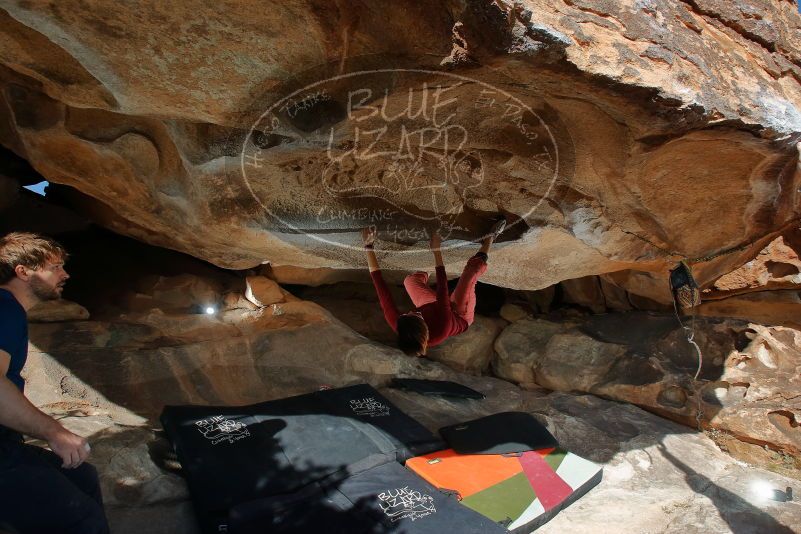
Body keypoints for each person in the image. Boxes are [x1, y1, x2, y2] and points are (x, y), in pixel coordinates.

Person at [0, 232, 109, 534]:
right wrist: (54, 431)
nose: (66, 274)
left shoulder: (11, 311)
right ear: (23, 271)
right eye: (55, 267)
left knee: (82, 477)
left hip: (7, 442)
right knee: (82, 521)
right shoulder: (4, 308)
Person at [363, 220, 504, 356]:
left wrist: (368, 246)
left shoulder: (400, 324)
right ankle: (491, 238)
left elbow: (379, 284)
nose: (413, 311)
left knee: (410, 281)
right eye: (417, 315)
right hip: (458, 314)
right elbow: (443, 289)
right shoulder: (442, 329)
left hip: (432, 306)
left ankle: (427, 269)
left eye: (409, 313)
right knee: (470, 273)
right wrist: (437, 250)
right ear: (424, 328)